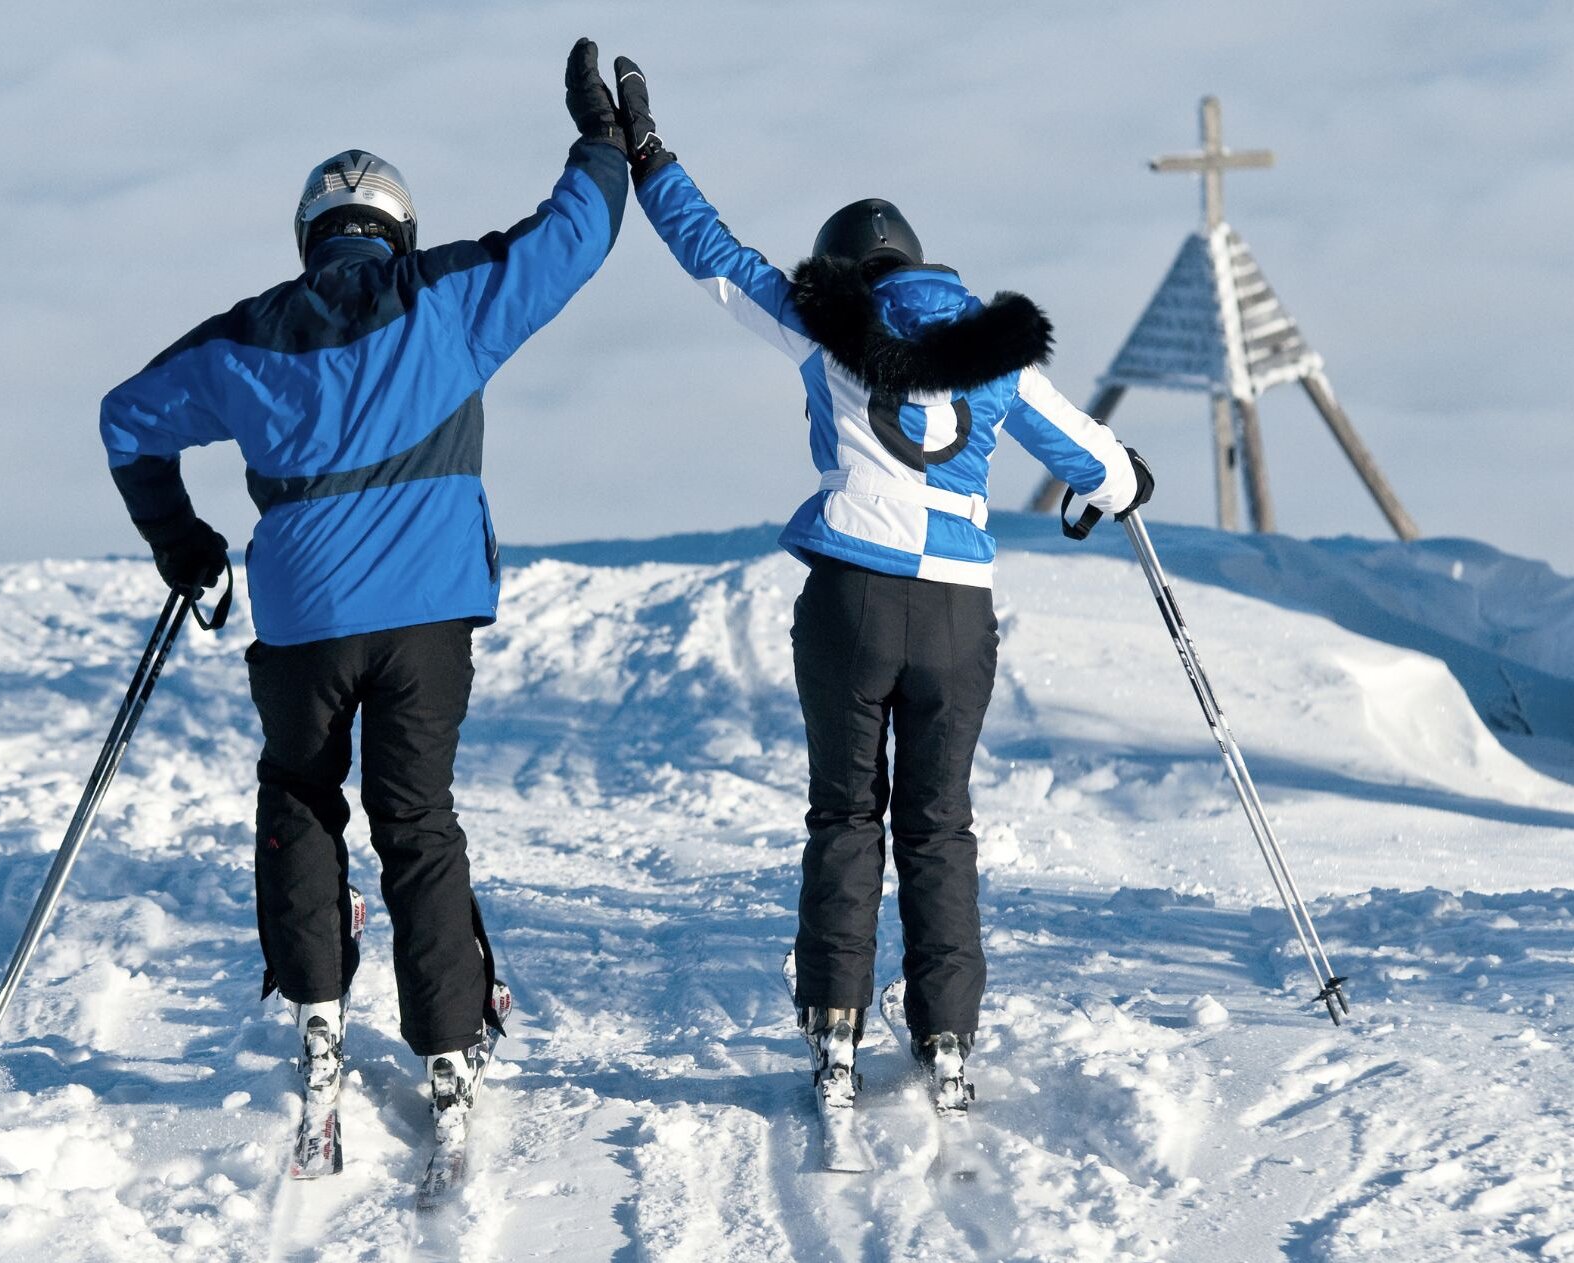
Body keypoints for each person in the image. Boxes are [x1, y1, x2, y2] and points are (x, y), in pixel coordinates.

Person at [98, 41, 630, 1167]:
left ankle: (318, 1010)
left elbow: (126, 421)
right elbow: (572, 239)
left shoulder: (241, 338)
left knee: (299, 795)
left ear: (309, 239)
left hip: (301, 621)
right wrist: (600, 138)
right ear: (394, 227)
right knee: (415, 820)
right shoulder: (446, 300)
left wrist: (179, 539)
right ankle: (444, 1044)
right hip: (427, 616)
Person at [608, 58, 1154, 1112]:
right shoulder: (994, 352)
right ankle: (945, 1036)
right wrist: (1126, 483)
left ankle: (833, 1032)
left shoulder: (827, 327)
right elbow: (1094, 459)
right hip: (956, 611)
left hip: (851, 598)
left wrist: (648, 157)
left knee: (842, 816)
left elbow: (715, 258)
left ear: (843, 270)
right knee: (937, 823)